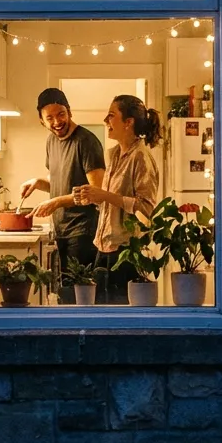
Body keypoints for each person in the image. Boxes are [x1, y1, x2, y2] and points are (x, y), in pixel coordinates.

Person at [71, 95, 162, 304]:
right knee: (100, 313)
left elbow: (147, 208)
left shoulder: (141, 157)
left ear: (128, 122)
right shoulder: (113, 154)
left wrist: (104, 195)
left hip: (126, 252)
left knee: (117, 317)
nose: (106, 120)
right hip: (104, 247)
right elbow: (111, 201)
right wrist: (92, 198)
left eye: (111, 115)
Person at [18, 88, 106, 304]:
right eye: (50, 118)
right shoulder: (51, 142)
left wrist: (56, 202)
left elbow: (96, 192)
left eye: (61, 114)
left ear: (70, 112)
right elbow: (61, 184)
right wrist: (39, 183)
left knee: (79, 298)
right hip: (62, 230)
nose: (57, 121)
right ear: (42, 121)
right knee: (66, 295)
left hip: (83, 231)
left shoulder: (86, 141)